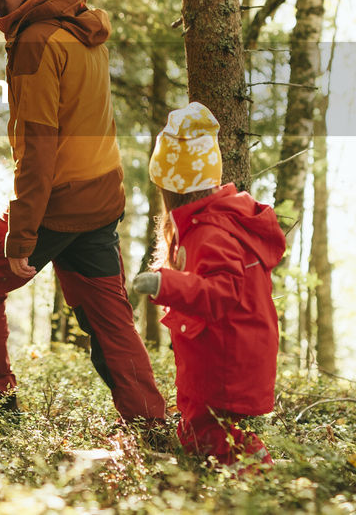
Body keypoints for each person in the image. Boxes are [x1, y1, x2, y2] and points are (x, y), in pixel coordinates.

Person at [0, 0, 166, 426]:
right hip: (101, 198)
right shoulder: (79, 28)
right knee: (111, 323)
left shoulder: (35, 42)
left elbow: (39, 146)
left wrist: (22, 237)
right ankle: (151, 425)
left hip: (58, 204)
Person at [132, 102, 285, 468]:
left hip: (225, 357)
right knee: (194, 431)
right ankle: (221, 478)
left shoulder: (213, 232)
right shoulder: (201, 225)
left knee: (212, 436)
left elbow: (222, 292)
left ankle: (260, 473)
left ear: (172, 188)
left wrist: (164, 284)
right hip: (213, 350)